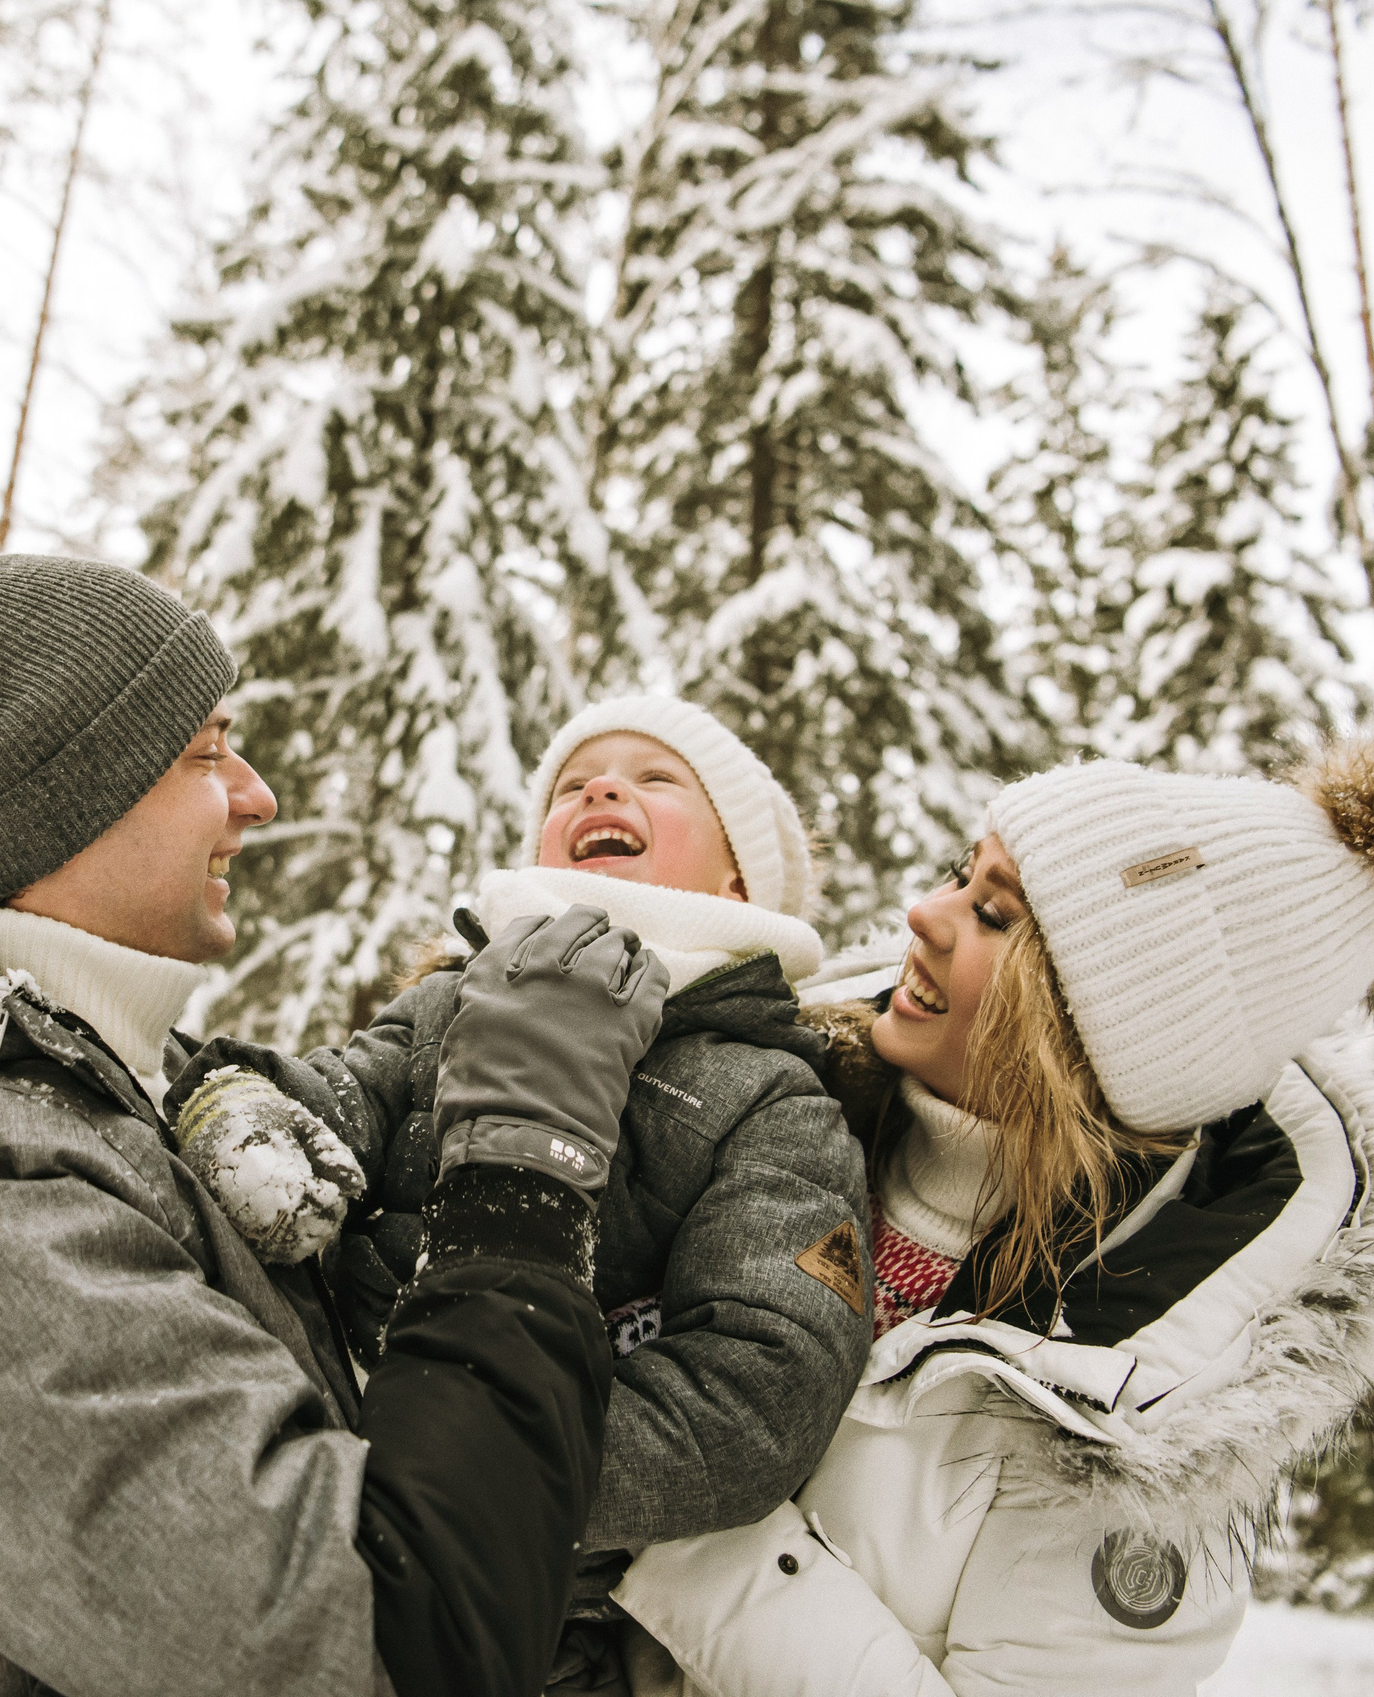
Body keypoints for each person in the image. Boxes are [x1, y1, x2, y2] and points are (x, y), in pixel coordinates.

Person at [0, 554, 670, 1697]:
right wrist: (519, 1168)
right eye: (206, 753)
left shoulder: (118, 1104)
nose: (256, 796)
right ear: (60, 801)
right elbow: (379, 1642)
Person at [611, 733, 1374, 1697]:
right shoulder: (749, 1106)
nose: (924, 912)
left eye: (992, 913)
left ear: (1093, 1031)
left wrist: (661, 1502)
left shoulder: (1148, 1401)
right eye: (960, 873)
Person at [166, 696, 873, 1685]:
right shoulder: (455, 1001)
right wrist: (243, 1101)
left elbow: (760, 1390)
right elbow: (344, 1093)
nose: (602, 787)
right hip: (313, 1472)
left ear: (737, 879)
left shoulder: (766, 1093)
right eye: (573, 783)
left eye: (656, 778)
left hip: (543, 1606)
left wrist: (501, 1467)